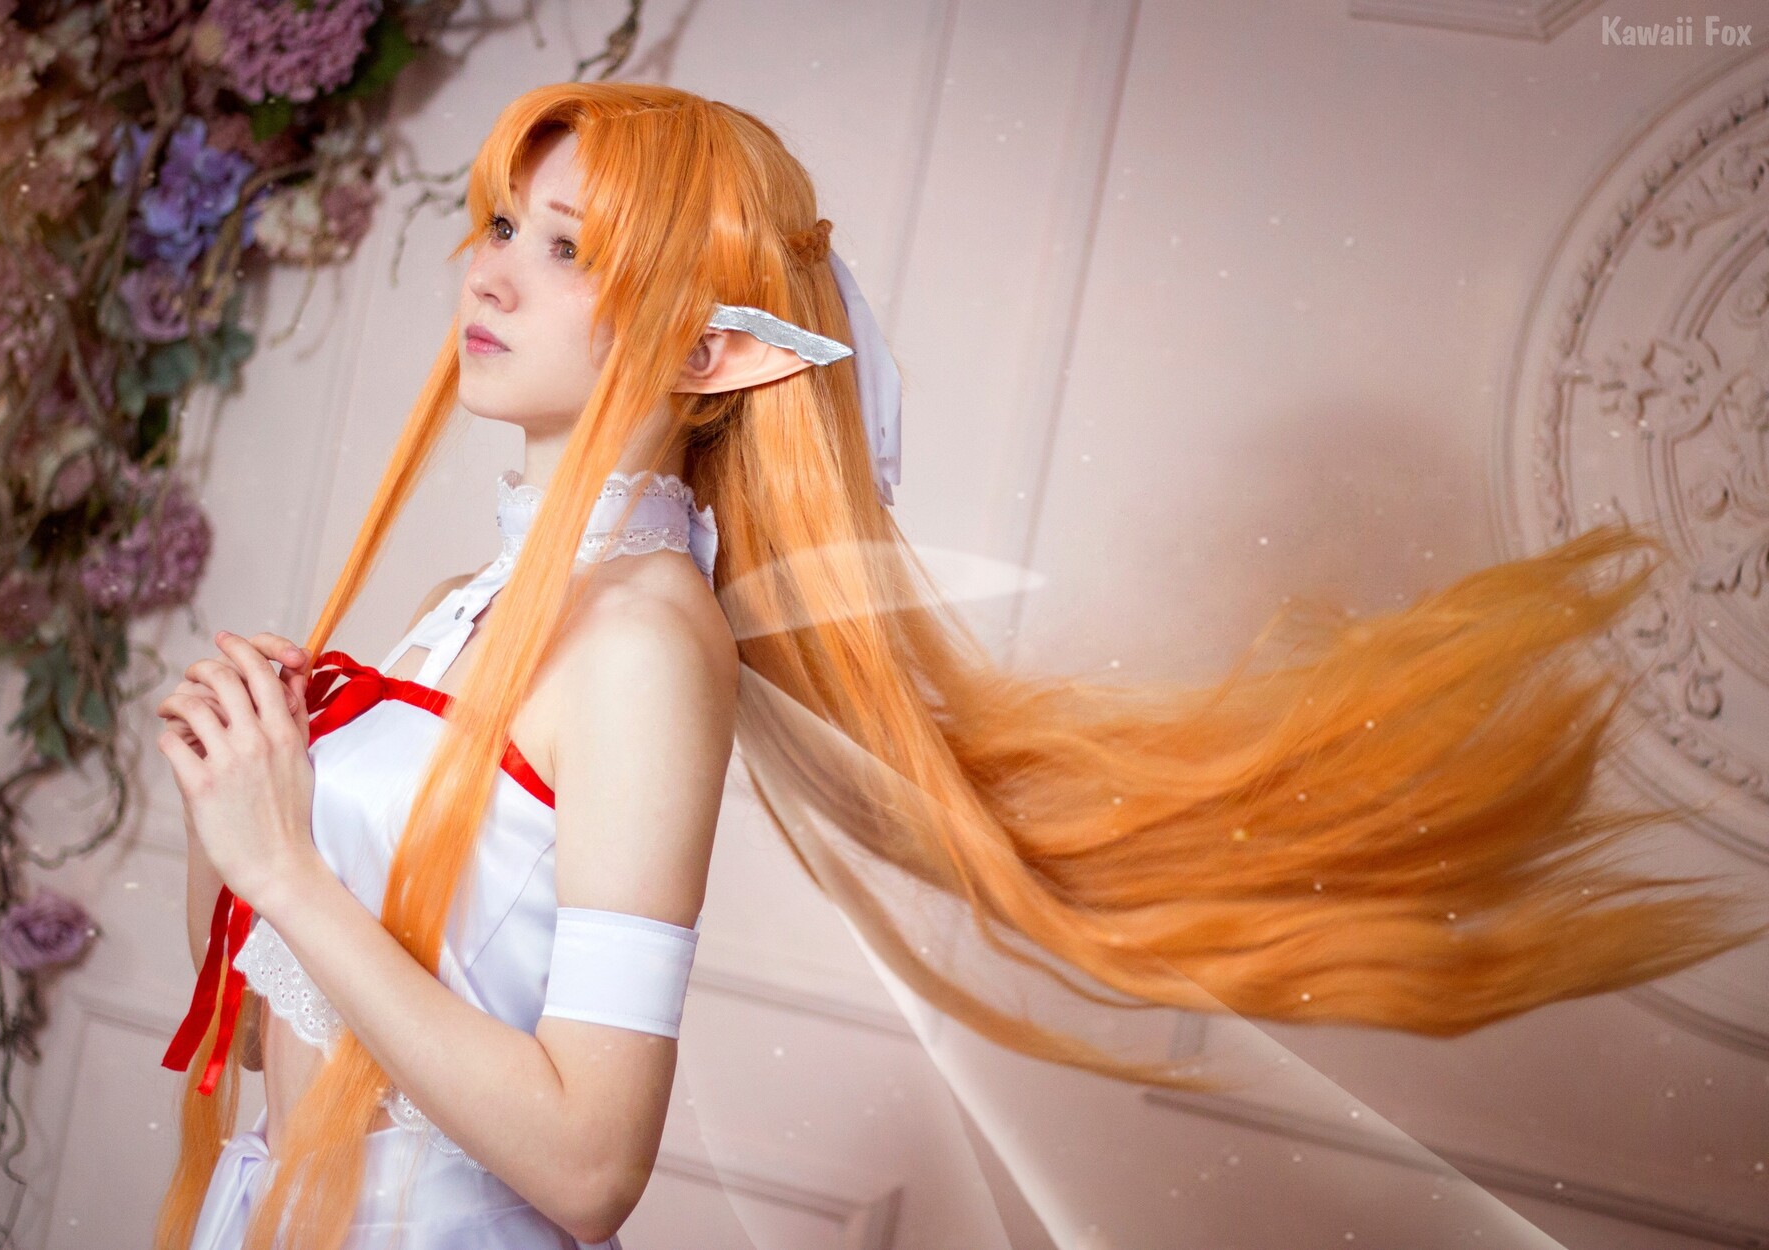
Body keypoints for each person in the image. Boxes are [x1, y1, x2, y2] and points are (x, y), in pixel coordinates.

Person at [149, 82, 1764, 1250]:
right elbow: (339, 1000)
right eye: (501, 223)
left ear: (713, 349)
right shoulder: (466, 600)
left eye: (566, 250)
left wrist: (286, 867)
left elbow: (587, 1164)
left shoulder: (645, 640)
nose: (490, 271)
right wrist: (257, 790)